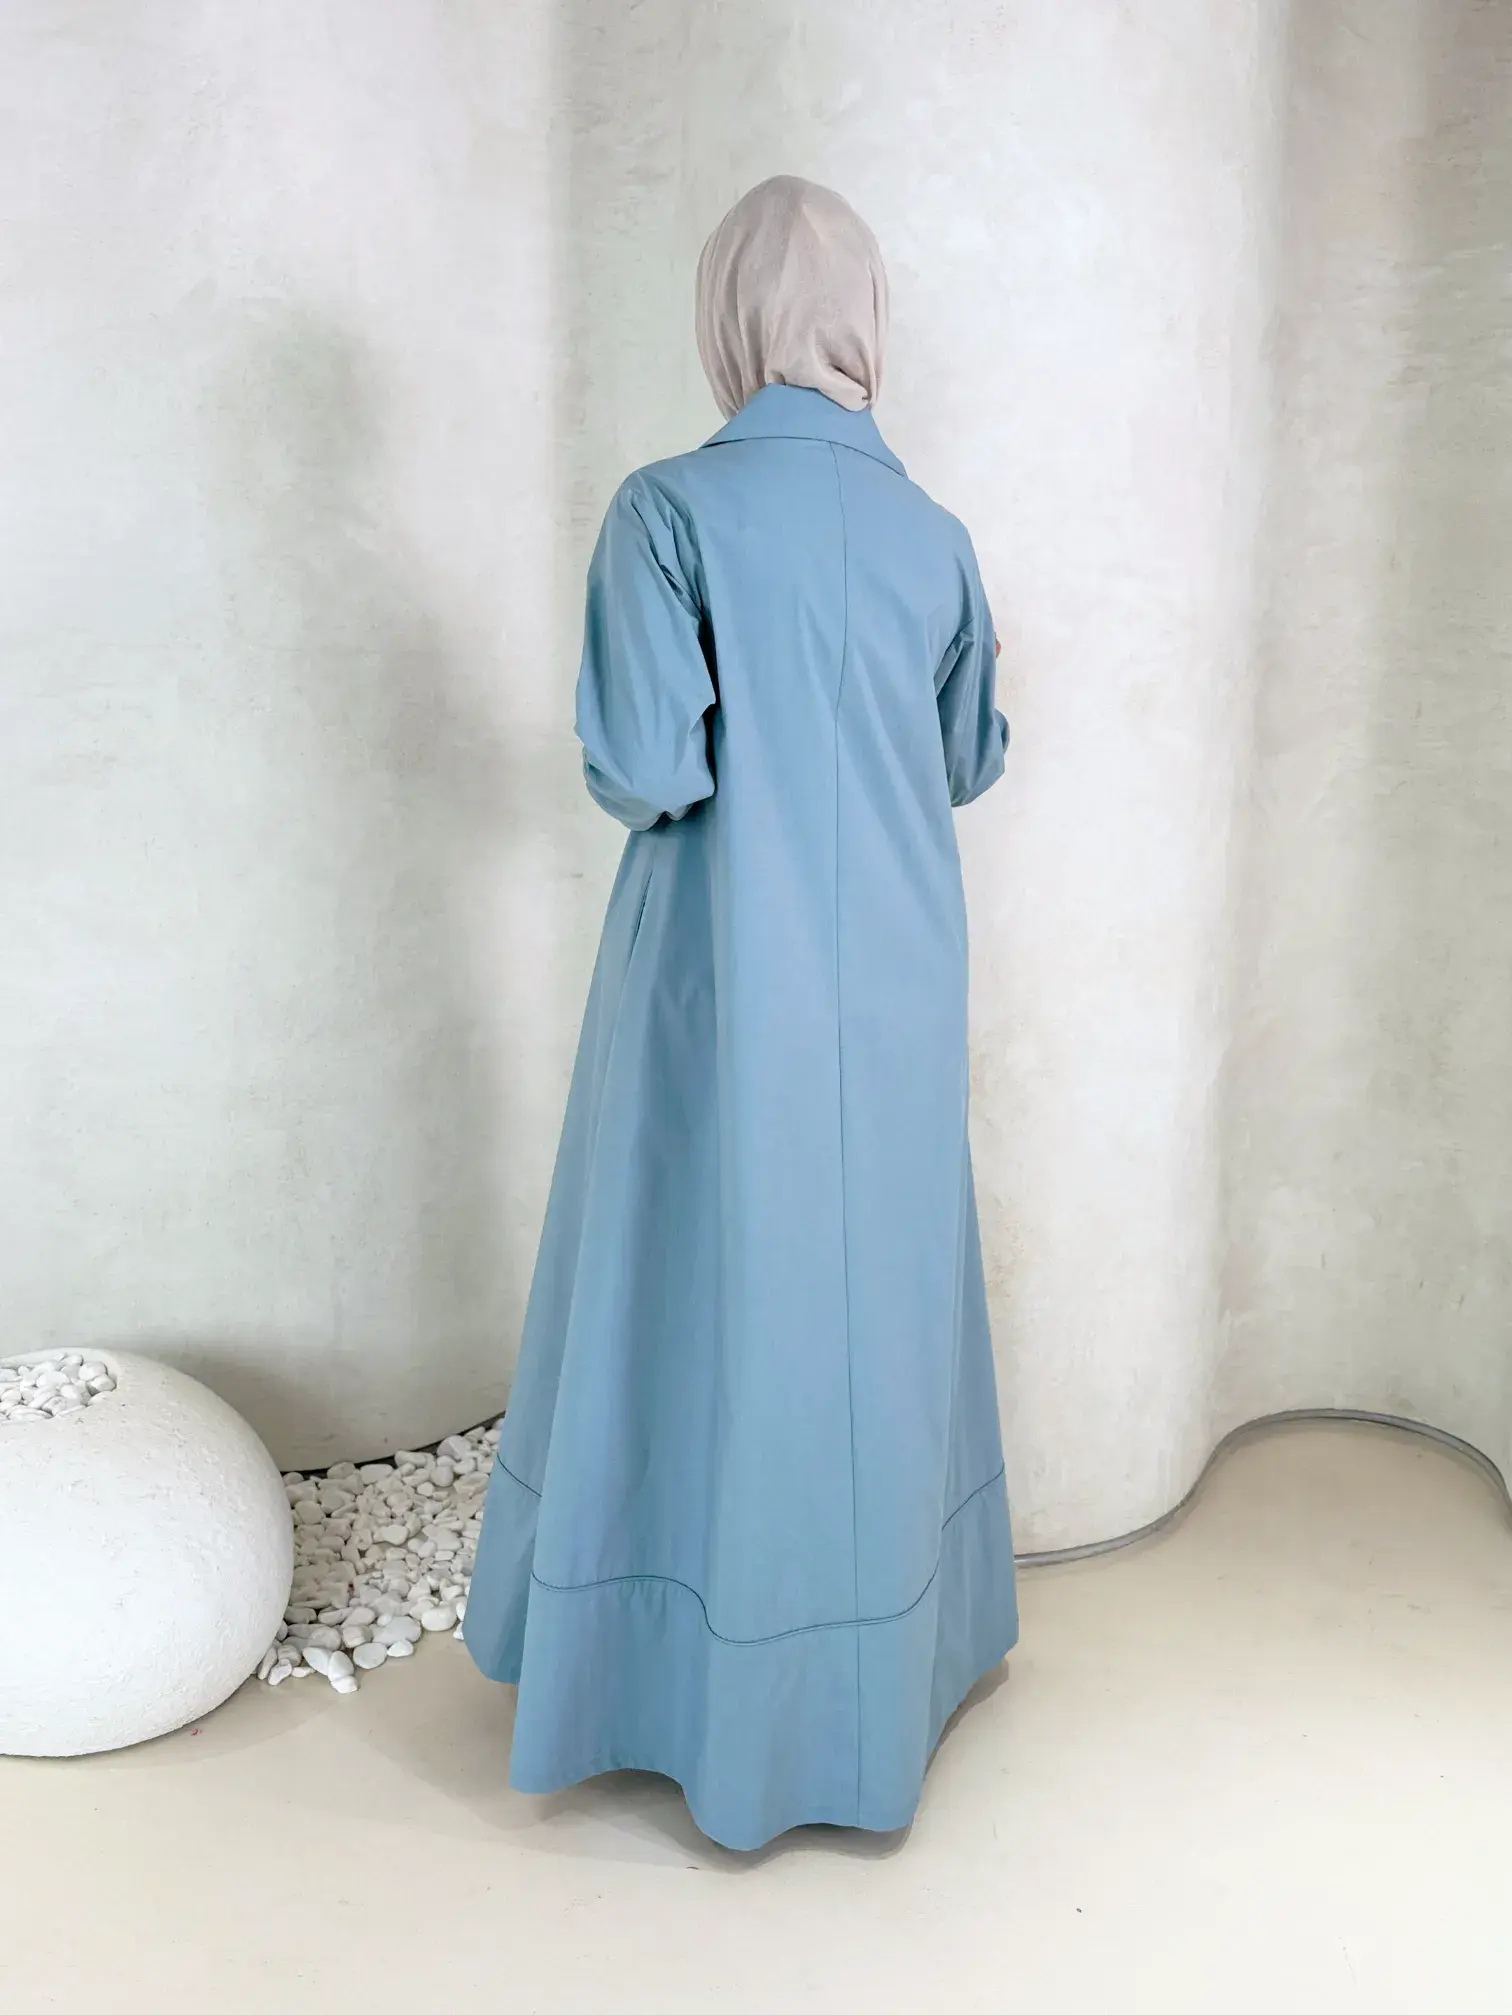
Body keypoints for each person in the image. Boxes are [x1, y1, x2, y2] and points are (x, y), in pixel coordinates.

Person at [463, 175, 1017, 1852]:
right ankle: (880, 1669)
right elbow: (967, 757)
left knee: (691, 1284)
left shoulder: (667, 512)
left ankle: (678, 1673)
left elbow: (647, 764)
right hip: (900, 975)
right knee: (875, 1302)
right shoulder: (937, 537)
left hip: (719, 964)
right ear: (864, 320)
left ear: (726, 317)